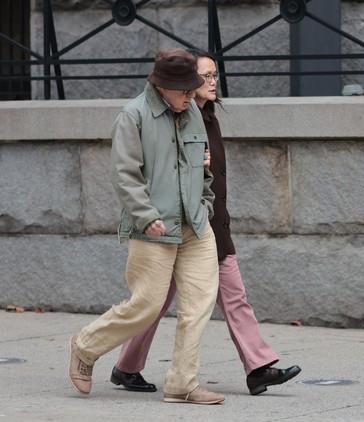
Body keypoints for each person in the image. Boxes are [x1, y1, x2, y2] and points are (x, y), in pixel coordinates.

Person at [110, 49, 301, 396]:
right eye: (205, 76)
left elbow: (211, 181)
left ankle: (258, 367)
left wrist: (212, 210)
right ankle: (124, 365)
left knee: (234, 296)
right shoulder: (170, 118)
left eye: (215, 75)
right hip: (175, 226)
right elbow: (154, 170)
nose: (212, 82)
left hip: (211, 226)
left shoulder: (207, 118)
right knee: (153, 303)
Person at [69, 48, 225, 405]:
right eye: (185, 90)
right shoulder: (133, 115)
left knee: (199, 304)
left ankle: (182, 383)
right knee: (147, 304)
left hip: (196, 224)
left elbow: (202, 165)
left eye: (193, 88)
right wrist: (146, 215)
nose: (191, 95)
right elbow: (125, 175)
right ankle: (85, 346)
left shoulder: (192, 112)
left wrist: (205, 203)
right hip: (153, 227)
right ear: (163, 86)